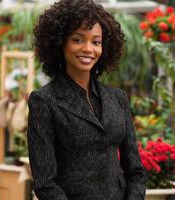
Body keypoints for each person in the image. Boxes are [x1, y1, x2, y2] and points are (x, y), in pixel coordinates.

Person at [27, 0, 146, 199]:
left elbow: (135, 171)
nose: (89, 49)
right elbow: (45, 183)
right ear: (60, 43)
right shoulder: (44, 101)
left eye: (96, 42)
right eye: (78, 40)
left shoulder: (118, 98)